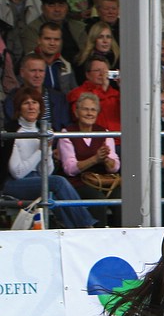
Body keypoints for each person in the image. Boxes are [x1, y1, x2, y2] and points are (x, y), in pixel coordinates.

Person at [3, 87, 97, 229]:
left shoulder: (41, 130)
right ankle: (86, 225)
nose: (31, 107)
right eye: (26, 103)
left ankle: (72, 232)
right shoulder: (13, 131)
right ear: (18, 108)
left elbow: (46, 173)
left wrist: (47, 151)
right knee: (58, 183)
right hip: (13, 184)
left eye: (34, 102)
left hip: (37, 180)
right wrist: (41, 151)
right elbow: (17, 173)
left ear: (40, 107)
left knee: (54, 196)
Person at [58, 91, 121, 227]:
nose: (89, 113)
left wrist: (105, 159)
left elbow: (115, 166)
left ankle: (120, 238)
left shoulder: (104, 133)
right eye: (85, 109)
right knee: (98, 200)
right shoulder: (67, 133)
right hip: (78, 182)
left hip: (104, 181)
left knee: (122, 197)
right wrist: (95, 158)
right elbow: (70, 169)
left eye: (93, 110)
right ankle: (98, 239)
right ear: (76, 112)